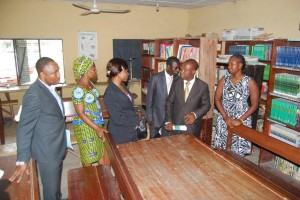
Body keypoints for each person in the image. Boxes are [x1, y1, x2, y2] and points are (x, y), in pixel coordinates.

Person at [9, 57, 67, 200]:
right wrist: (22, 159)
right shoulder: (34, 94)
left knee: (56, 183)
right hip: (47, 150)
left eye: (58, 70)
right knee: (50, 188)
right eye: (55, 72)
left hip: (56, 145)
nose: (58, 75)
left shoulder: (49, 87)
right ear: (43, 75)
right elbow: (24, 127)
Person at [213, 54, 259, 156]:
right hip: (225, 117)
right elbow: (217, 99)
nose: (229, 66)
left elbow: (254, 105)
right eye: (228, 64)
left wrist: (240, 120)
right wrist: (225, 117)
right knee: (221, 150)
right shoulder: (224, 79)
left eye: (232, 64)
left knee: (237, 153)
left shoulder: (249, 82)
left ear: (240, 65)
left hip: (241, 119)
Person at [72, 56, 108, 167]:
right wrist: (97, 128)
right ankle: (89, 179)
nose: (96, 72)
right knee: (89, 154)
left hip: (96, 122)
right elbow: (81, 113)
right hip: (85, 126)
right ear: (86, 71)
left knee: (100, 151)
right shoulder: (78, 89)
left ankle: (102, 177)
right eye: (94, 69)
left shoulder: (90, 84)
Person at [165, 59, 211, 137]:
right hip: (175, 125)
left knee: (190, 148)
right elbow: (169, 102)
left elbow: (206, 105)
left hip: (192, 127)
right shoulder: (176, 83)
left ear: (193, 72)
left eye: (185, 70)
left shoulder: (202, 86)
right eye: (182, 69)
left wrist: (195, 114)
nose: (181, 72)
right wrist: (168, 121)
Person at [104, 58, 140, 144]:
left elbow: (128, 105)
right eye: (126, 71)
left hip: (131, 129)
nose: (128, 74)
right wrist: (136, 118)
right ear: (119, 73)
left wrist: (136, 112)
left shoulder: (122, 85)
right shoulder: (110, 93)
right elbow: (118, 119)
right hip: (121, 133)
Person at [146, 56, 181, 138]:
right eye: (175, 68)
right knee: (153, 141)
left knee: (166, 140)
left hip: (170, 117)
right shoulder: (155, 78)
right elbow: (149, 98)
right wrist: (149, 116)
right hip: (156, 116)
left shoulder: (179, 80)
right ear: (168, 66)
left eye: (179, 68)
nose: (178, 70)